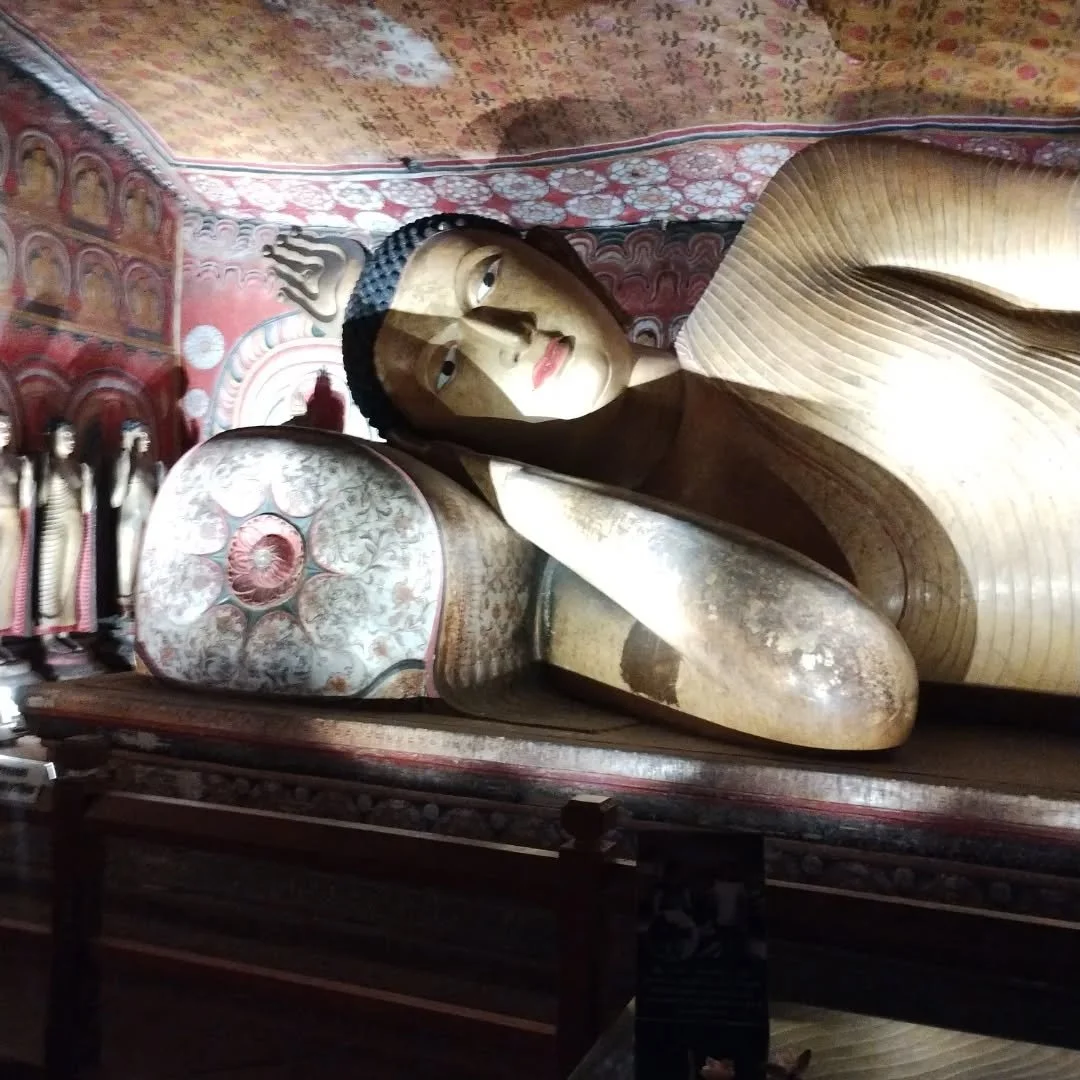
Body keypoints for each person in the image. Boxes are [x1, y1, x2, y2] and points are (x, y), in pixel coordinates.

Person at [338, 136, 1080, 706]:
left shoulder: (814, 218)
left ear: (562, 256)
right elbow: (857, 696)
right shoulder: (637, 616)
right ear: (451, 448)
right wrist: (504, 490)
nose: (505, 335)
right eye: (446, 369)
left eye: (486, 279)